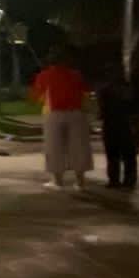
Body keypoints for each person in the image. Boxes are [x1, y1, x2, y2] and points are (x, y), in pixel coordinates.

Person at [30, 50, 92, 189]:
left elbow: (36, 96)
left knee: (54, 147)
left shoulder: (44, 75)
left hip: (54, 114)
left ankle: (57, 181)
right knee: (79, 147)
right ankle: (80, 181)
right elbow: (85, 93)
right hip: (76, 113)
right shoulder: (76, 75)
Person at [96, 67, 139, 189]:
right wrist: (138, 118)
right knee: (129, 155)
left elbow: (102, 110)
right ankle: (129, 180)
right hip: (129, 124)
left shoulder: (105, 90)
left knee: (113, 154)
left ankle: (114, 180)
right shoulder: (132, 89)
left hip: (111, 125)